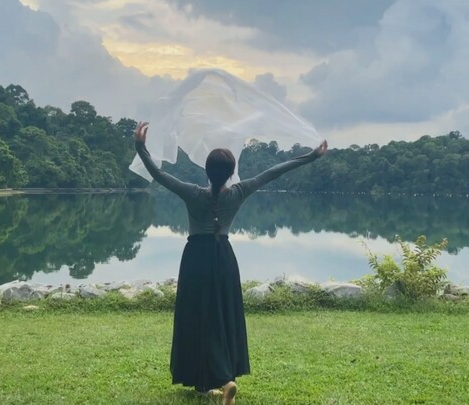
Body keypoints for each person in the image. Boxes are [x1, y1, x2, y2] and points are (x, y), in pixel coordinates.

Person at [133, 121, 328, 405]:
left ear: (207, 170)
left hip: (196, 259)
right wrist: (311, 156)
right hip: (223, 257)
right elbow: (273, 172)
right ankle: (211, 382)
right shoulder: (239, 192)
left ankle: (220, 379)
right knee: (222, 316)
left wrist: (140, 146)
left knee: (197, 315)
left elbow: (159, 174)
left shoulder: (192, 192)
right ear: (230, 171)